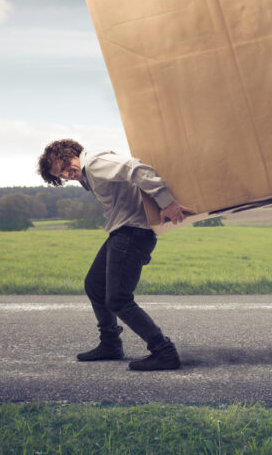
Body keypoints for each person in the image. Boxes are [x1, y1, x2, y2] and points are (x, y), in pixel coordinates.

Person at [37, 139, 195, 371]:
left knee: (118, 299)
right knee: (94, 284)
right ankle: (110, 343)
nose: (65, 174)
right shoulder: (87, 172)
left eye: (64, 166)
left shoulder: (95, 162)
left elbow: (137, 169)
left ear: (71, 152)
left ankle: (164, 352)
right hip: (121, 232)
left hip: (133, 234)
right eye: (59, 175)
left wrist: (167, 203)